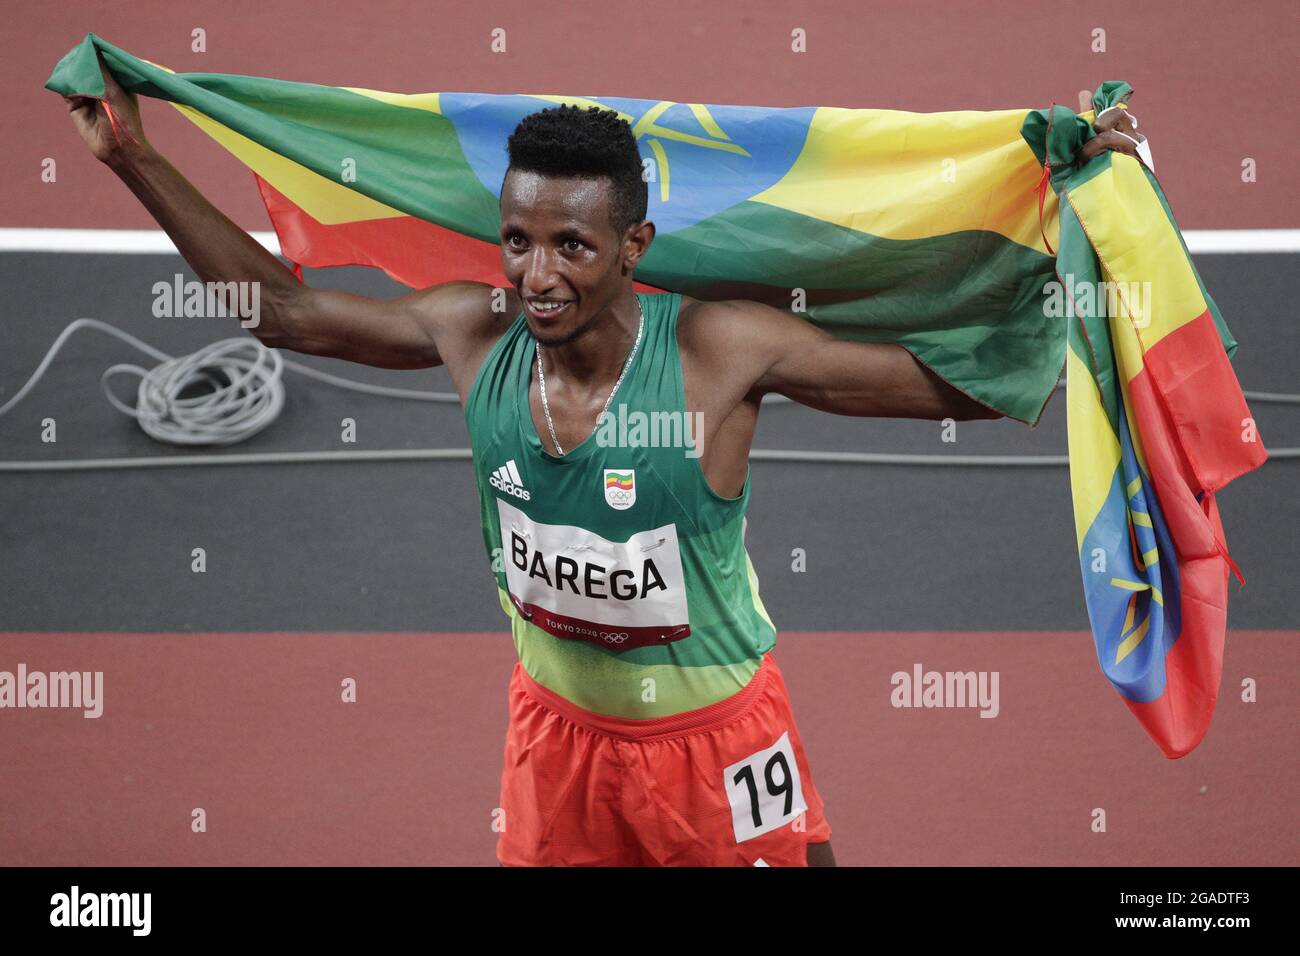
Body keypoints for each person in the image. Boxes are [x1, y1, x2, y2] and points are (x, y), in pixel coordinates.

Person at [64, 60, 1143, 866]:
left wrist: (1092, 241)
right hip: (556, 739)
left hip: (717, 742)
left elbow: (963, 388)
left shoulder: (721, 349)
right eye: (518, 239)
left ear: (634, 245)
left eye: (572, 245)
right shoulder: (470, 331)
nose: (538, 273)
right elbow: (286, 313)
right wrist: (136, 157)